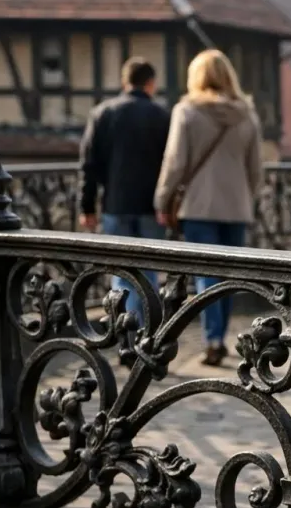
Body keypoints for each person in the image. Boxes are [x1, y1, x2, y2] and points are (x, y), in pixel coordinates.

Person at [155, 49, 263, 366]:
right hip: (236, 206)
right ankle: (221, 335)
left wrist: (163, 199)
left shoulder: (187, 112)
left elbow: (175, 162)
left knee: (207, 276)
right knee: (230, 277)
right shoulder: (247, 115)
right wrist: (247, 197)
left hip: (198, 205)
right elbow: (256, 169)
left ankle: (212, 339)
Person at [78, 57, 171, 317]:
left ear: (124, 82)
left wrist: (87, 206)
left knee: (121, 272)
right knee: (149, 271)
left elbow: (89, 164)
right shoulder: (162, 116)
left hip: (115, 204)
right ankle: (147, 332)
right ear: (151, 83)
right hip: (152, 206)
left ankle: (127, 332)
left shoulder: (102, 114)